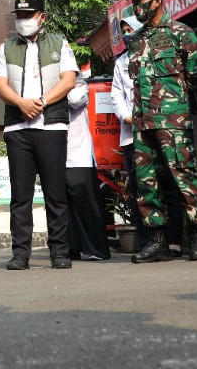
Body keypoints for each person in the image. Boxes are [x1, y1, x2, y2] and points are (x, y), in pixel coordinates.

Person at [124, 0, 197, 263]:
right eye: (134, 2)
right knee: (146, 183)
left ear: (157, 0)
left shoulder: (180, 32)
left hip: (173, 118)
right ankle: (157, 241)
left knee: (184, 175)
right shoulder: (135, 41)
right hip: (142, 121)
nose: (137, 7)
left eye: (142, 0)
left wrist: (185, 107)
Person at [0, 0, 77, 271]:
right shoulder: (6, 47)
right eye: (19, 15)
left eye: (28, 15)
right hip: (18, 128)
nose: (23, 20)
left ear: (42, 17)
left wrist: (41, 102)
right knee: (20, 195)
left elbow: (68, 81)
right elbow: (0, 85)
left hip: (50, 126)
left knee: (55, 192)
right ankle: (20, 254)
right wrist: (20, 103)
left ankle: (59, 252)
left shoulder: (59, 44)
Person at [110, 15, 187, 256]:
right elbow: (116, 96)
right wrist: (127, 116)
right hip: (133, 134)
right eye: (123, 31)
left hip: (162, 128)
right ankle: (148, 241)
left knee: (170, 185)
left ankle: (173, 240)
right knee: (141, 189)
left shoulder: (160, 53)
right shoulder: (121, 61)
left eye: (130, 29)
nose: (126, 34)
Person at [64, 77, 111, 261]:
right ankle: (70, 248)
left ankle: (96, 249)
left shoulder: (79, 84)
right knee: (63, 204)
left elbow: (75, 100)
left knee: (86, 202)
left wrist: (56, 89)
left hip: (78, 152)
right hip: (55, 151)